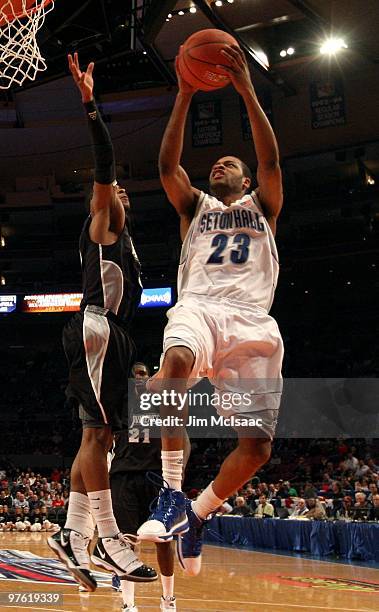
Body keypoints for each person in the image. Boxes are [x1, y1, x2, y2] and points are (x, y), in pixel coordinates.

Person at [138, 43, 283, 577]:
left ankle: (198, 514)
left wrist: (246, 89)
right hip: (198, 306)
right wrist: (183, 94)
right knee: (173, 365)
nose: (220, 163)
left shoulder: (263, 206)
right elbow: (166, 164)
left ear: (246, 181)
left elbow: (269, 159)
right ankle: (172, 492)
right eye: (216, 163)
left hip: (251, 322)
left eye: (231, 164)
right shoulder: (194, 206)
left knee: (258, 447)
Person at [47, 53, 157, 592]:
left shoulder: (127, 241)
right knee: (101, 433)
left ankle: (71, 531)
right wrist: (91, 105)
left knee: (96, 436)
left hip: (110, 335)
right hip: (97, 329)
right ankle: (109, 537)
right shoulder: (106, 220)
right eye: (113, 190)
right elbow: (105, 163)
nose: (118, 192)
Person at [110, 362, 177, 611]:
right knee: (127, 540)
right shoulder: (119, 403)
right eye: (136, 374)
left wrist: (177, 476)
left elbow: (181, 436)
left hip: (155, 476)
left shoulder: (162, 402)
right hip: (123, 475)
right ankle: (129, 604)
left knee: (163, 540)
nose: (140, 377)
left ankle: (168, 599)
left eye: (144, 374)